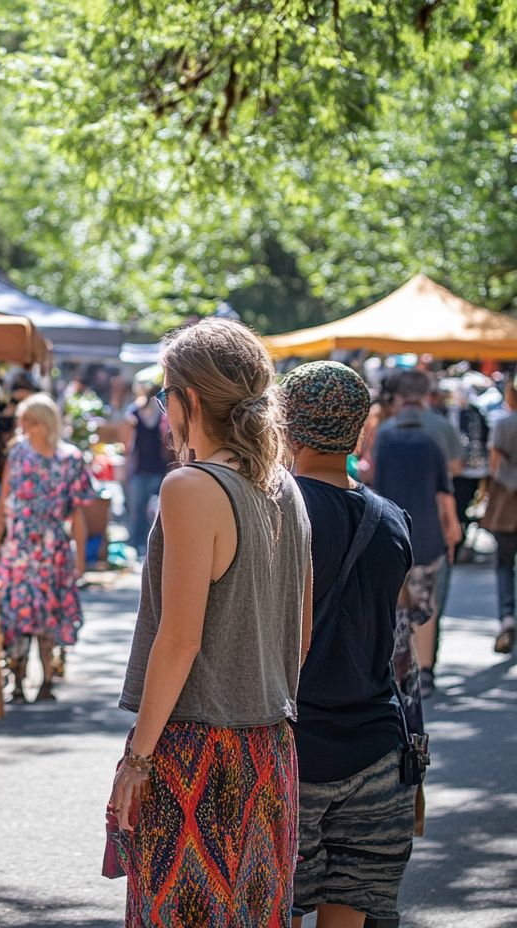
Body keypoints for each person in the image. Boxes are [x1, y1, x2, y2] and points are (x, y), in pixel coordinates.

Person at [112, 319, 312, 927]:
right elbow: (300, 634)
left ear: (189, 399)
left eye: (164, 393)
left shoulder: (192, 486)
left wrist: (137, 759)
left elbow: (180, 638)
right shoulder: (281, 488)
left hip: (195, 752)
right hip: (269, 752)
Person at [281, 362, 417, 928]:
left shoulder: (276, 514)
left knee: (269, 906)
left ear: (284, 428)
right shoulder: (393, 522)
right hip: (378, 752)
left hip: (289, 751)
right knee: (351, 913)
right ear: (362, 429)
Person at [0, 393, 96, 703]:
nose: (23, 427)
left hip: (53, 550)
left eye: (29, 421)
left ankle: (47, 680)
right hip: (20, 549)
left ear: (44, 423)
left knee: (50, 616)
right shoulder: (18, 454)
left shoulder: (70, 459)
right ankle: (19, 681)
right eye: (22, 420)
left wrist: (80, 559)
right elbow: (2, 505)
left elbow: (77, 512)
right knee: (16, 616)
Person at [371, 370, 462, 703]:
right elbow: (447, 488)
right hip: (427, 532)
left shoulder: (384, 434)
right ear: (426, 395)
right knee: (425, 604)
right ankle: (425, 672)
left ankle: (396, 666)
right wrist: (452, 528)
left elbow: (374, 482)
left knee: (396, 603)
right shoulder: (436, 434)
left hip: (391, 532)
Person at [484, 375, 517, 654]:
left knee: (504, 563)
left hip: (508, 497)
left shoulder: (503, 424)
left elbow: (494, 464)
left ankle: (507, 617)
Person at [123, 381, 174, 560]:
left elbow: (128, 445)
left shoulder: (149, 415)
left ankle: (143, 545)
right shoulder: (142, 414)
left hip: (148, 468)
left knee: (144, 509)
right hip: (150, 468)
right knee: (148, 509)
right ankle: (142, 544)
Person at [444, 380, 490, 562]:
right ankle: (457, 544)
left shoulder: (471, 413)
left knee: (461, 508)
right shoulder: (471, 412)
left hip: (468, 471)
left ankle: (457, 544)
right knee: (460, 508)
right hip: (467, 471)